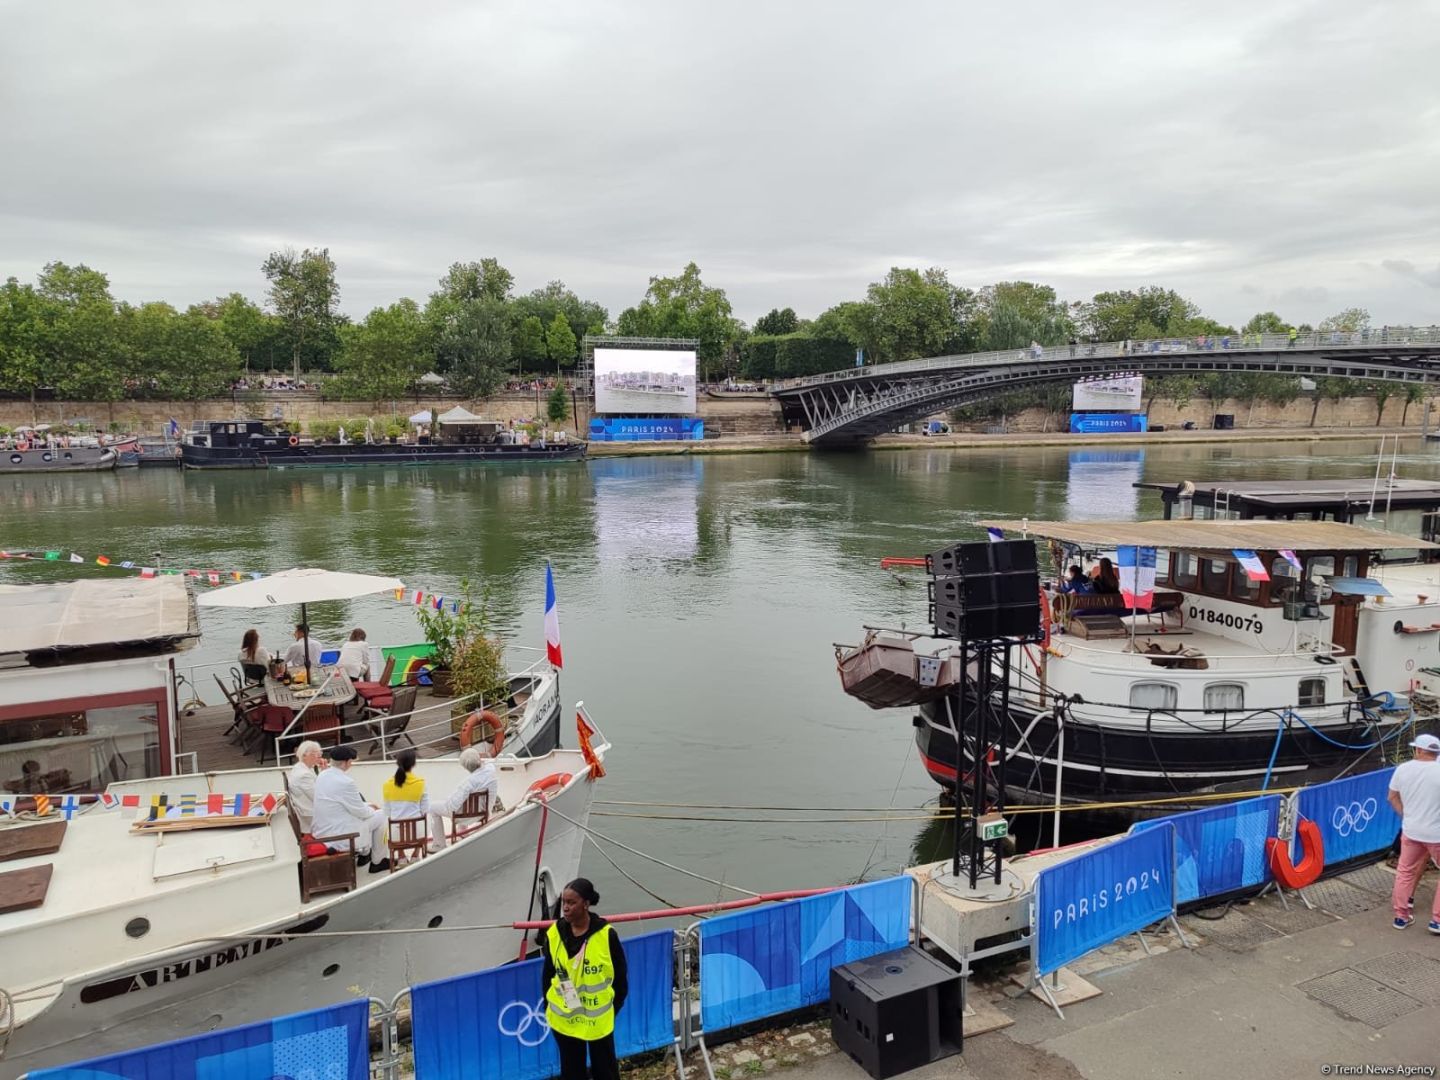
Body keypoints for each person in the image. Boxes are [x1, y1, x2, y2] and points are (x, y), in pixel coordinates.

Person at [543, 877, 628, 1080]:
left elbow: (620, 977)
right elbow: (548, 973)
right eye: (564, 902)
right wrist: (549, 1003)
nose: (565, 908)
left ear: (586, 904)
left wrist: (612, 1008)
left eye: (572, 903)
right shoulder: (554, 933)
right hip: (566, 1018)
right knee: (572, 1072)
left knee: (605, 1071)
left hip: (598, 1020)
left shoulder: (606, 935)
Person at [1388, 734, 1440, 932]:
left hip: (1411, 830)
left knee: (1405, 872)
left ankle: (1401, 916)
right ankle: (1437, 920)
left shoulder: (1403, 769)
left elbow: (1392, 796)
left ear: (1419, 750)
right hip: (1436, 832)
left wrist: (1406, 815)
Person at [311, 745, 389, 872]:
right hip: (339, 836)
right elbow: (361, 813)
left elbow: (343, 803)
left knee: (370, 813)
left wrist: (368, 804)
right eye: (351, 761)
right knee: (383, 814)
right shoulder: (346, 782)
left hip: (323, 830)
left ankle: (366, 854)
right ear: (346, 763)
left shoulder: (323, 775)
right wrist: (371, 808)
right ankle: (378, 861)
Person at [428, 746, 500, 851]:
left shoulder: (469, 783)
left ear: (466, 767)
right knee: (465, 803)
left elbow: (452, 806)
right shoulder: (491, 769)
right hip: (484, 812)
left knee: (432, 808)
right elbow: (488, 762)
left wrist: (447, 800)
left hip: (468, 816)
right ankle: (462, 830)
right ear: (479, 759)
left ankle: (439, 844)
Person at [382, 748, 430, 823]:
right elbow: (425, 810)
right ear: (414, 764)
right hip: (417, 830)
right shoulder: (421, 784)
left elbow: (387, 812)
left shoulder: (387, 785)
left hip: (395, 830)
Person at [287, 740, 325, 833]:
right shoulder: (304, 774)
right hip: (311, 817)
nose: (319, 755)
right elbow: (318, 797)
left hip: (311, 810)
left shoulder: (302, 768)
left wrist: (324, 771)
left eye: (320, 752)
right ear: (304, 755)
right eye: (316, 753)